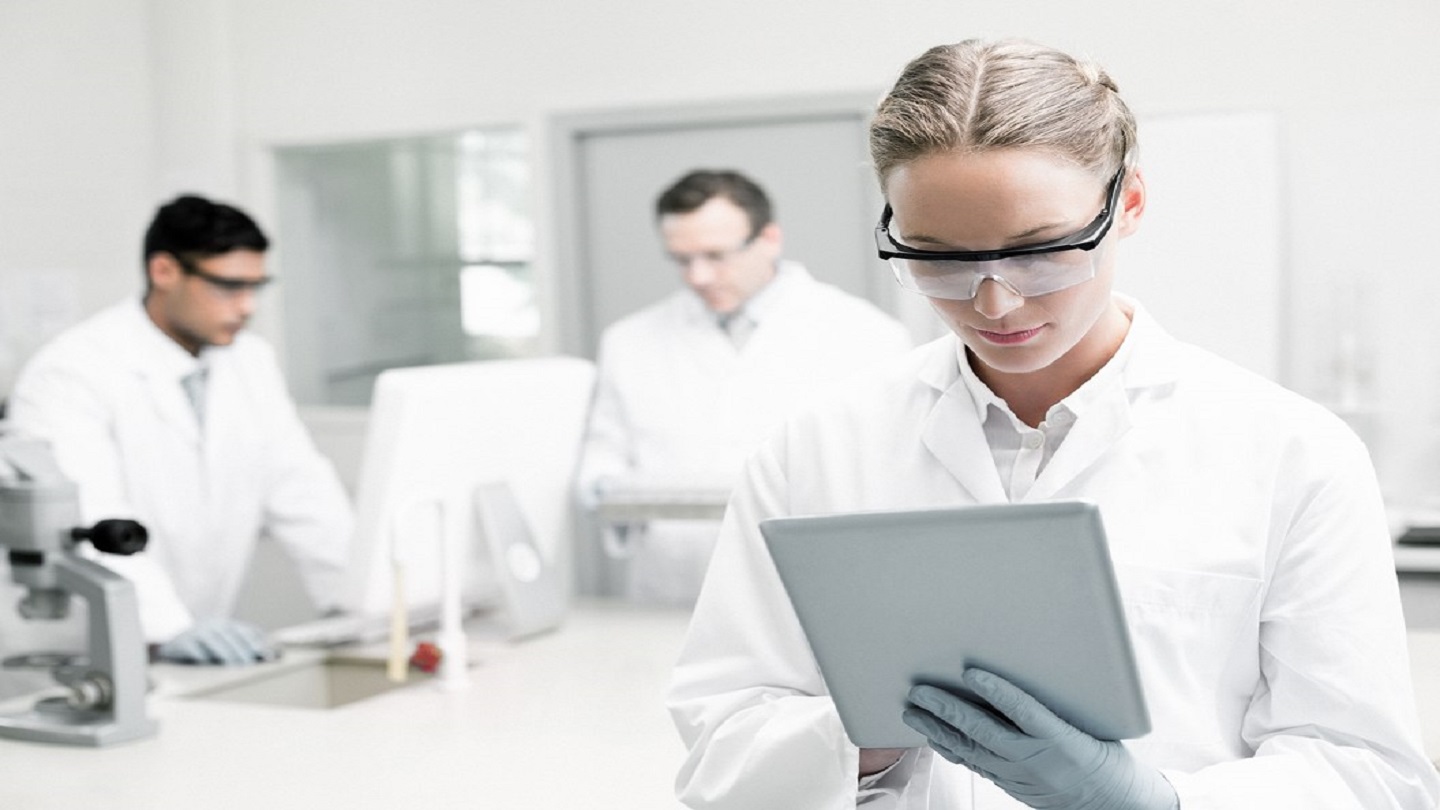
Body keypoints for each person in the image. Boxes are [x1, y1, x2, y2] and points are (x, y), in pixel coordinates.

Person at [667, 39, 1440, 809]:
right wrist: (863, 736)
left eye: (1041, 253)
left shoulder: (1292, 455)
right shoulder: (816, 449)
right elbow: (719, 755)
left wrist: (1149, 801)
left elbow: (1369, 773)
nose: (992, 304)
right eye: (937, 258)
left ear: (1127, 204)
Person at [6, 194, 353, 666]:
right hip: (72, 653)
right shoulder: (71, 372)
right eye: (228, 287)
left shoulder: (250, 362)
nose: (247, 306)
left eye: (256, 286)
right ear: (165, 271)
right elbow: (90, 519)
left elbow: (303, 492)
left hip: (188, 649)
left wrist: (363, 601)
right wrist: (167, 625)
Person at [576, 169, 912, 604]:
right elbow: (601, 460)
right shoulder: (628, 341)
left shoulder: (866, 335)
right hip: (674, 587)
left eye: (716, 255)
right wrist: (614, 489)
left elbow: (892, 474)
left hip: (809, 591)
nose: (697, 276)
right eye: (681, 259)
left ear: (769, 239)